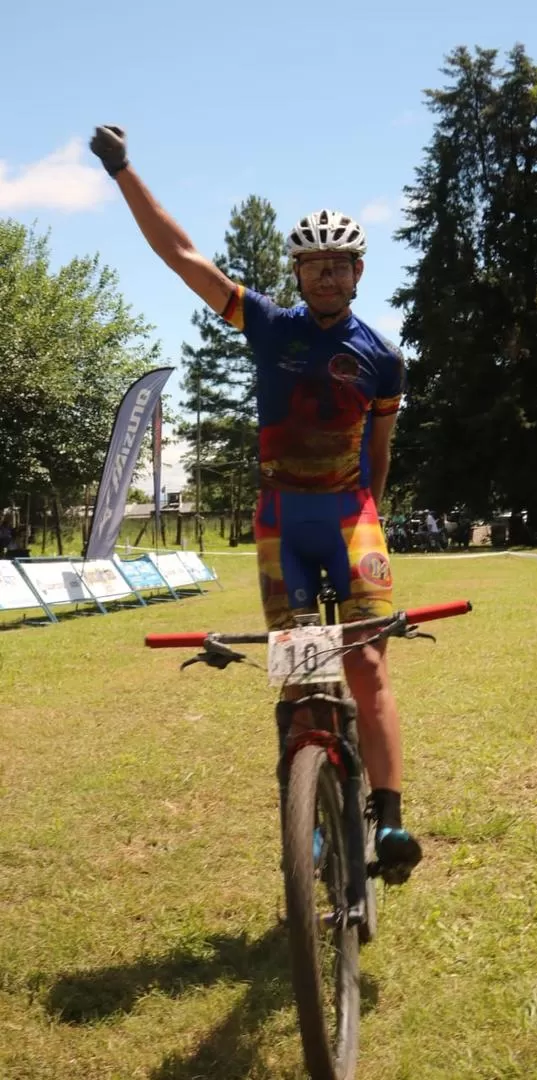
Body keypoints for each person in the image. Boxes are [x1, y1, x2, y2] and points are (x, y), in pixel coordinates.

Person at [90, 125, 421, 882]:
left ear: (358, 272)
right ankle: (306, 810)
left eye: (339, 266)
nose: (327, 278)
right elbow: (183, 260)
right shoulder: (270, 327)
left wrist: (370, 507)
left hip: (350, 517)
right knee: (302, 677)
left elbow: (381, 452)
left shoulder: (384, 357)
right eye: (314, 267)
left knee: (367, 665)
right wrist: (123, 170)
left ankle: (391, 819)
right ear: (298, 274)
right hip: (281, 522)